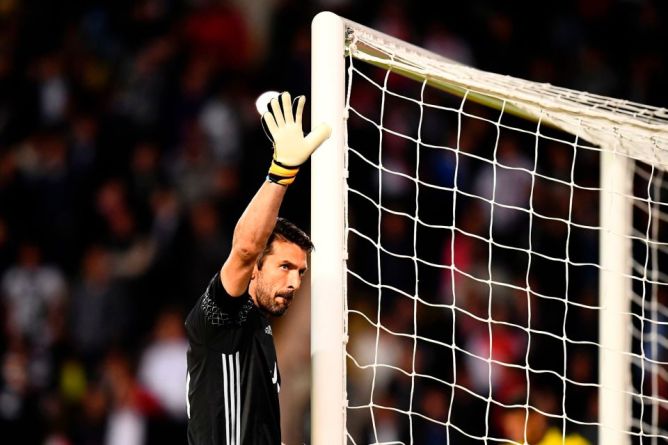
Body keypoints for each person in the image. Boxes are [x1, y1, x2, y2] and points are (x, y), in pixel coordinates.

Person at [184, 91, 331, 445]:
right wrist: (281, 174)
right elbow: (246, 248)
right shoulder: (223, 319)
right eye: (285, 266)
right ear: (254, 270)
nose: (294, 282)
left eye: (300, 272)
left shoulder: (260, 333)